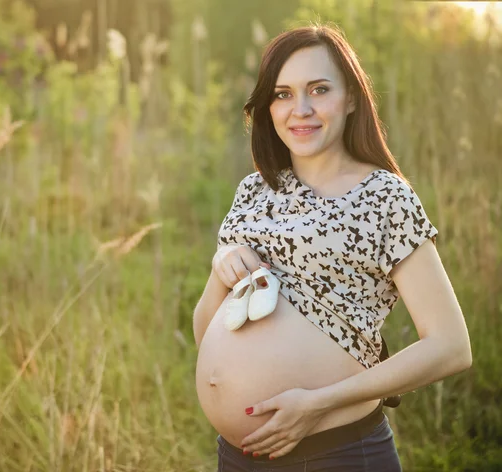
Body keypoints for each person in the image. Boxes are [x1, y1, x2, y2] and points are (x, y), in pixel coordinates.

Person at [192, 23, 472, 471]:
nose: (299, 109)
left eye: (318, 90)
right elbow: (205, 332)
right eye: (282, 94)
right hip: (240, 457)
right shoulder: (253, 192)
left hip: (334, 453)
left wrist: (317, 403)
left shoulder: (383, 197)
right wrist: (219, 268)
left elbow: (450, 345)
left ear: (352, 99)